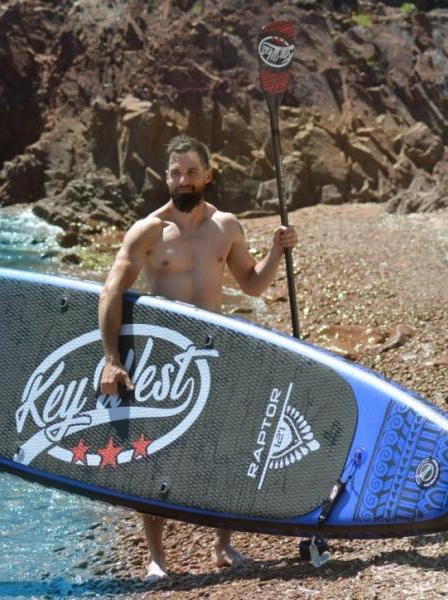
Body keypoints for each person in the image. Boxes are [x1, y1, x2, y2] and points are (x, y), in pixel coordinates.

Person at [97, 134, 299, 581]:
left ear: (208, 175)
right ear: (165, 177)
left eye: (191, 172)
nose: (183, 180)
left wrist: (276, 251)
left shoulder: (226, 227)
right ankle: (156, 557)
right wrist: (112, 358)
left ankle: (223, 545)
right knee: (155, 451)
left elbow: (252, 284)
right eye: (175, 172)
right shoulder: (149, 230)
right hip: (165, 355)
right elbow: (111, 291)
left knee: (230, 446)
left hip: (213, 349)